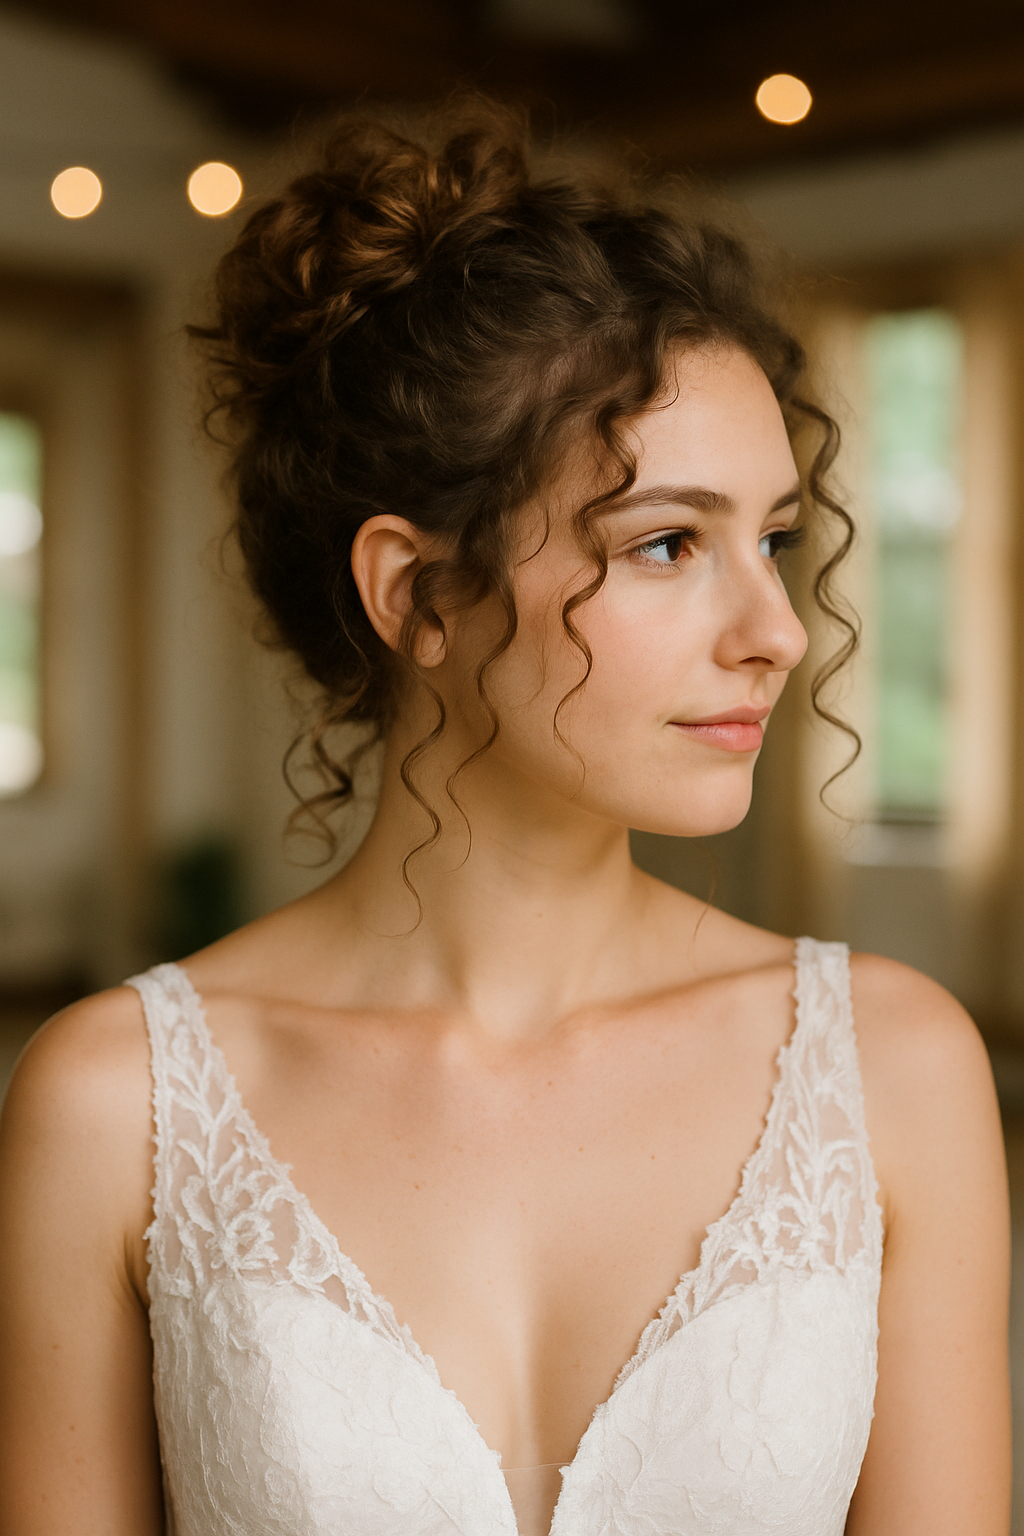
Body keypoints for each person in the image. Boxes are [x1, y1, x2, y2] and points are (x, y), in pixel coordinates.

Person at [0, 102, 1010, 1536]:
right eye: (669, 543)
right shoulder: (116, 1106)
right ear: (419, 594)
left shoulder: (892, 1071)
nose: (777, 632)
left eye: (773, 539)